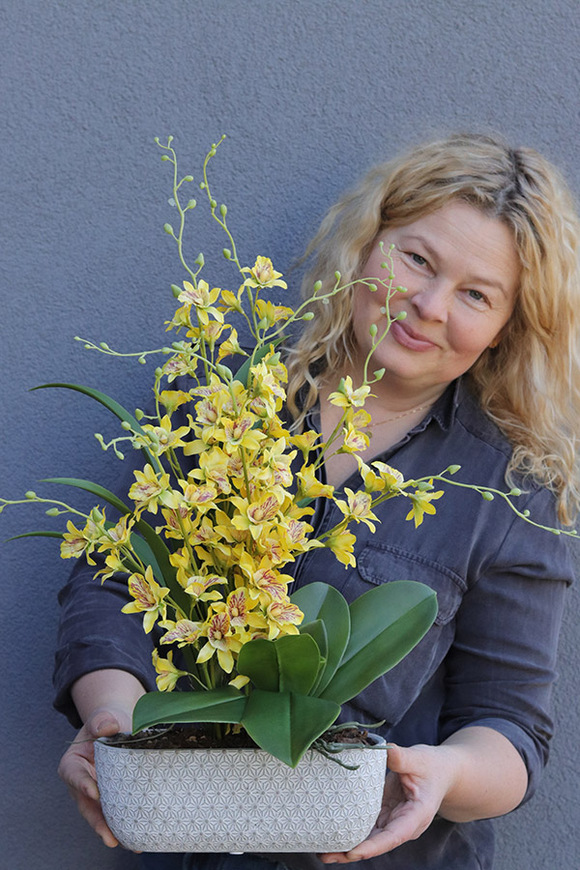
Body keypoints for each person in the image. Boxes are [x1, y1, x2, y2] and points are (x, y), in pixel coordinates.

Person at [55, 132, 580, 870]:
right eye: (417, 259)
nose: (428, 306)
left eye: (475, 294)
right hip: (188, 840)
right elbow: (112, 576)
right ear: (367, 244)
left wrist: (443, 775)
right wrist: (110, 719)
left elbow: (510, 724)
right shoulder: (230, 398)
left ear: (505, 328)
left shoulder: (510, 489)